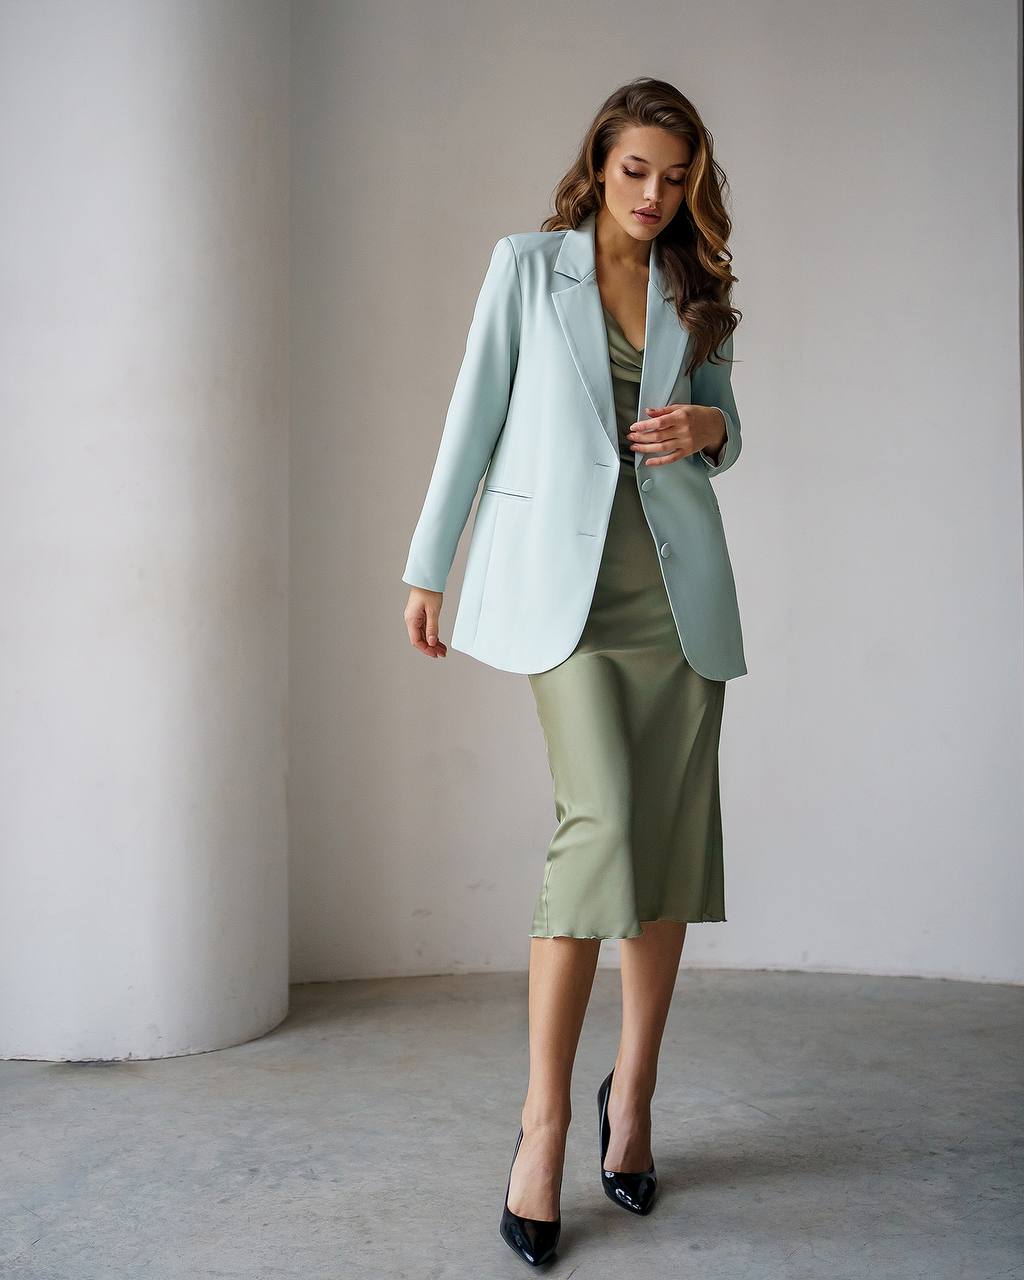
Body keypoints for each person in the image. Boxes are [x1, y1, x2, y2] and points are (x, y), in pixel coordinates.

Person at [401, 76, 747, 1267]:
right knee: (598, 825)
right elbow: (472, 414)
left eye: (674, 175)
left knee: (665, 844)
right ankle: (543, 1119)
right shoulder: (525, 268)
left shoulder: (696, 293)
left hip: (675, 599)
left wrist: (709, 430)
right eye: (634, 170)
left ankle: (633, 1094)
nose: (653, 196)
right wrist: (427, 563)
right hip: (567, 599)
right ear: (598, 162)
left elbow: (724, 426)